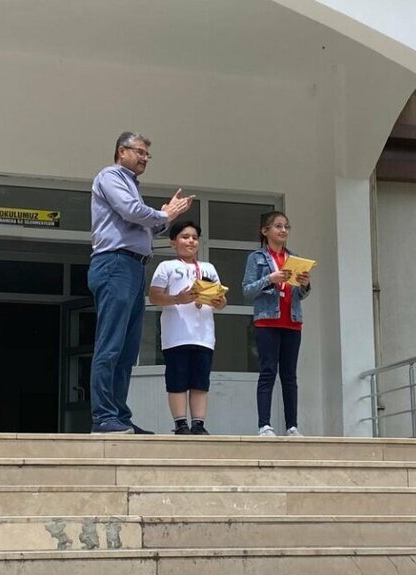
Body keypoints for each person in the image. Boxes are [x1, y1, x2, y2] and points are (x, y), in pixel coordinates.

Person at [88, 131, 193, 434]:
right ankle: (103, 416)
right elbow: (132, 212)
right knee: (110, 345)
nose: (145, 158)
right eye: (140, 152)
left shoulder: (132, 185)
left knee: (126, 348)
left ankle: (119, 415)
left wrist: (164, 216)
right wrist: (163, 213)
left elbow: (149, 226)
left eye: (148, 155)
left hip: (133, 267)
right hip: (115, 263)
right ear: (121, 151)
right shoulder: (110, 176)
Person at [149, 221, 227, 435]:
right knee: (177, 380)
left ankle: (198, 424)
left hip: (204, 336)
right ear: (173, 242)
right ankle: (180, 423)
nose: (190, 241)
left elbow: (221, 300)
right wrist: (178, 299)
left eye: (194, 237)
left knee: (200, 381)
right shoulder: (166, 267)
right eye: (185, 237)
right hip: (176, 335)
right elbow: (154, 296)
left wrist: (218, 302)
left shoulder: (208, 268)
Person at [242, 211, 311, 437]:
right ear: (265, 231)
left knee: (290, 375)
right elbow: (247, 291)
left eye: (286, 227)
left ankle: (292, 426)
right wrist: (269, 279)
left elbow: (299, 295)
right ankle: (264, 425)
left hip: (292, 321)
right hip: (267, 320)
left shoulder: (294, 258)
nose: (283, 231)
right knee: (268, 371)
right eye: (278, 226)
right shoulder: (257, 258)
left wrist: (305, 285)